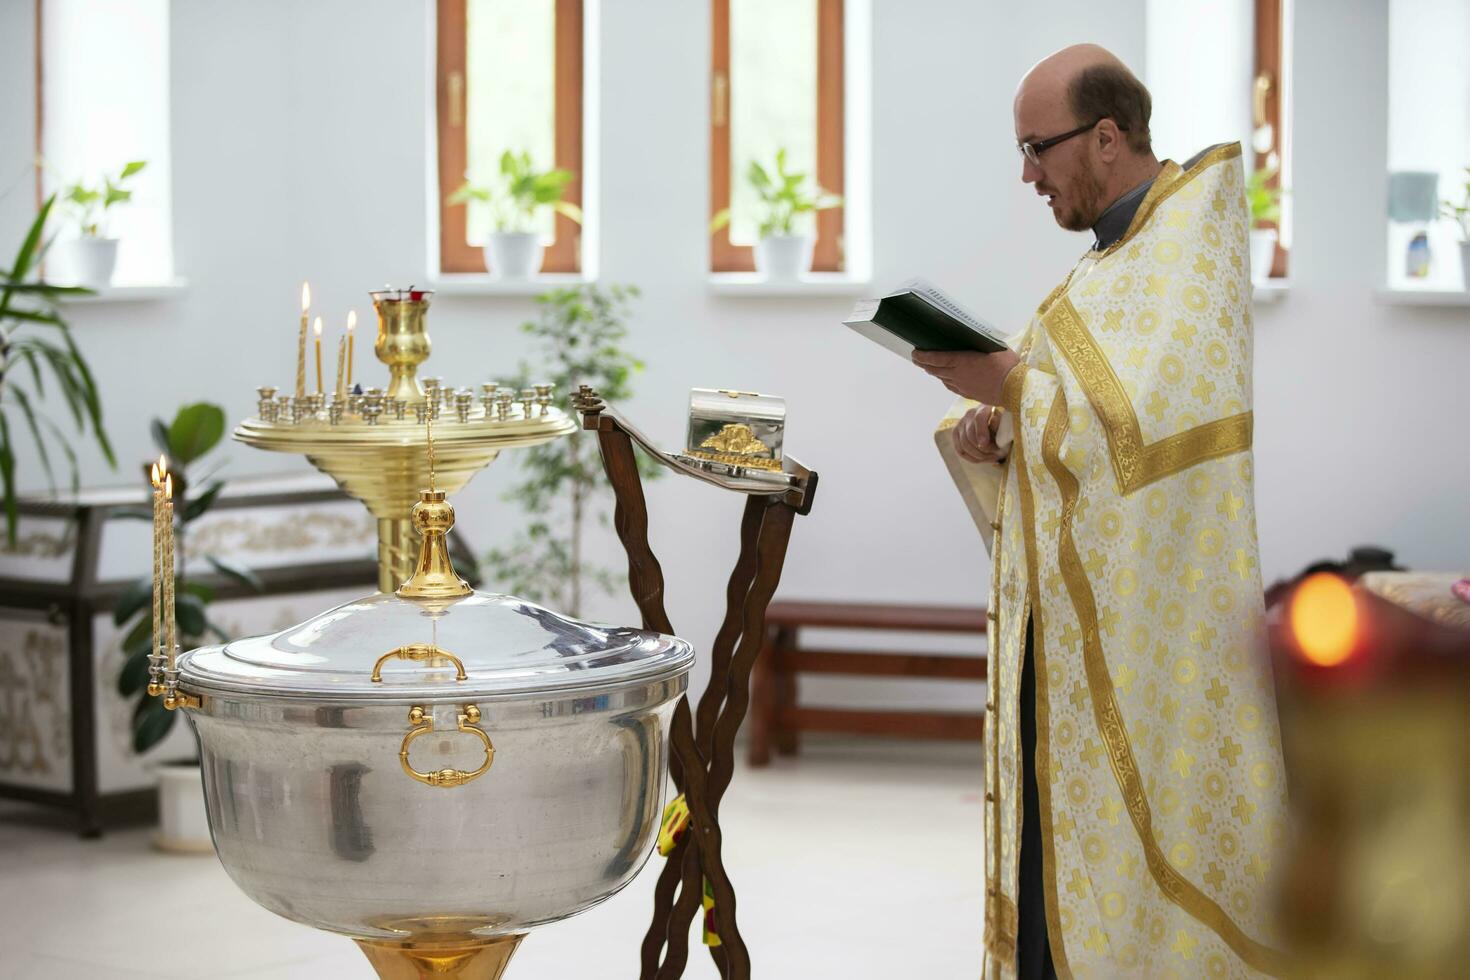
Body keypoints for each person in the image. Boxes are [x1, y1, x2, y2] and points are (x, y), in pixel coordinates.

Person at [914, 44, 1289, 979]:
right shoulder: (1108, 263)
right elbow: (1075, 407)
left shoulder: (1188, 248)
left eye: (1038, 149)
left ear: (1108, 137)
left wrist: (1014, 389)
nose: (1029, 175)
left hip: (1150, 649)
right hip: (1075, 639)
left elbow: (1148, 432)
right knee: (1054, 857)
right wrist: (996, 419)